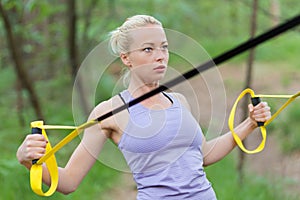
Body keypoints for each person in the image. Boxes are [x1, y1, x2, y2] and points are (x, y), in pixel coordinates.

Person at [17, 15, 271, 199]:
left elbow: (203, 156)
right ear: (126, 58)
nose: (160, 55)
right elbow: (69, 181)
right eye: (148, 49)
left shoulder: (178, 101)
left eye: (164, 47)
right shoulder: (108, 113)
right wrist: (30, 163)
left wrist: (250, 124)